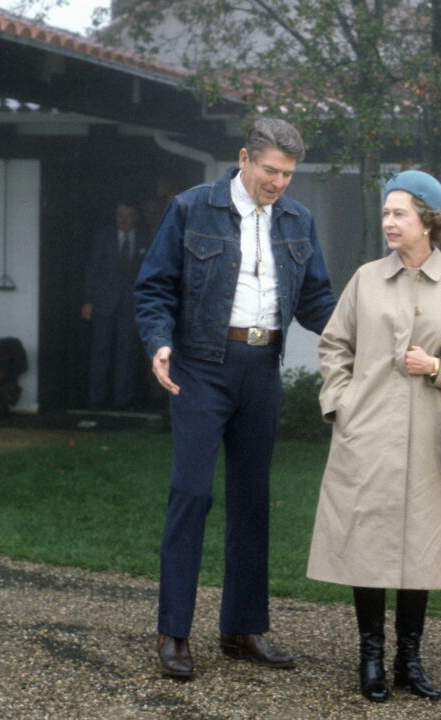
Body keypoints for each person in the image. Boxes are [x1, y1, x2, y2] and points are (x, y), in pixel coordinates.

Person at [133, 117, 336, 679]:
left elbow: (317, 303)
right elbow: (153, 287)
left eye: (288, 174)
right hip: (200, 365)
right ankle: (173, 632)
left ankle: (243, 628)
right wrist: (159, 342)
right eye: (270, 170)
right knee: (191, 494)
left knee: (252, 499)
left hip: (261, 368)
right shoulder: (191, 208)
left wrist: (368, 325)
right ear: (244, 158)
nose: (278, 183)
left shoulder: (299, 220)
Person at [307, 170, 441, 703]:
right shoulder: (366, 279)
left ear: (428, 221)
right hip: (366, 437)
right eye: (386, 213)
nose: (389, 222)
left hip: (430, 443)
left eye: (399, 214)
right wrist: (339, 405)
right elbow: (333, 346)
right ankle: (371, 659)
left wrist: (437, 365)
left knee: (421, 550)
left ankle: (409, 660)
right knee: (366, 545)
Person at [82, 199, 146, 410]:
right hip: (104, 303)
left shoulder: (145, 238)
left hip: (131, 304)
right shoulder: (104, 237)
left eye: (128, 216)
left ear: (135, 217)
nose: (124, 220)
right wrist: (88, 301)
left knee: (126, 353)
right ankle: (96, 399)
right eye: (120, 216)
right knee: (100, 350)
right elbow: (93, 269)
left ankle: (123, 401)